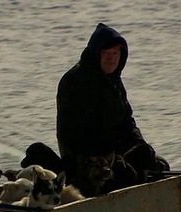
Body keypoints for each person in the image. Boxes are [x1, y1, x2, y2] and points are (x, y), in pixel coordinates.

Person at [56, 23, 170, 190]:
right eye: (106, 53)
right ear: (96, 54)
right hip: (83, 160)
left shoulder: (112, 80)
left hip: (111, 152)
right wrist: (118, 153)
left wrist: (138, 145)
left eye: (115, 53)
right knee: (126, 176)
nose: (111, 58)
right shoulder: (77, 81)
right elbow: (81, 134)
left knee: (157, 166)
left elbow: (126, 121)